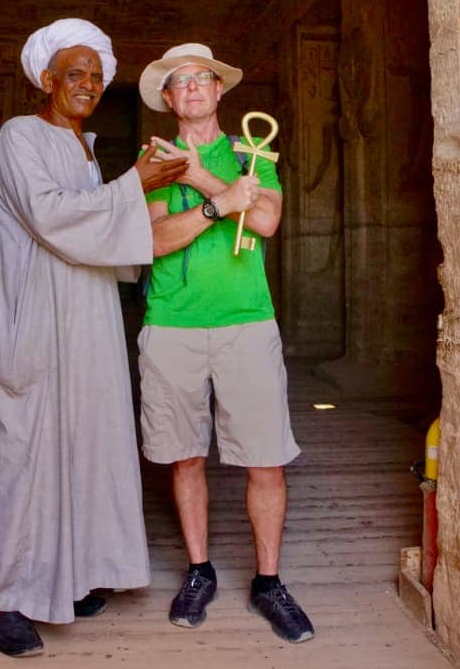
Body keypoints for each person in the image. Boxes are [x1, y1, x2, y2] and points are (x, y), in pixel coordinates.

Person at [0, 18, 188, 658]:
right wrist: (135, 185)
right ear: (46, 79)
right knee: (18, 453)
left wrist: (134, 186)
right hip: (35, 324)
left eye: (98, 77)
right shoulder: (20, 136)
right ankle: (3, 597)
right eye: (75, 74)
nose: (89, 85)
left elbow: (98, 225)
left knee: (79, 445)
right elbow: (54, 219)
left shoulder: (82, 146)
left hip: (86, 323)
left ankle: (61, 577)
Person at [137, 43, 314, 644]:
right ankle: (199, 570)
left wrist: (208, 177)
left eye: (202, 79)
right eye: (179, 81)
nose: (191, 87)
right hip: (172, 324)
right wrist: (218, 202)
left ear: (219, 92)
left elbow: (265, 221)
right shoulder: (153, 158)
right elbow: (156, 241)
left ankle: (269, 581)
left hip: (246, 321)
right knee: (185, 454)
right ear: (167, 98)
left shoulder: (251, 152)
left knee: (265, 457)